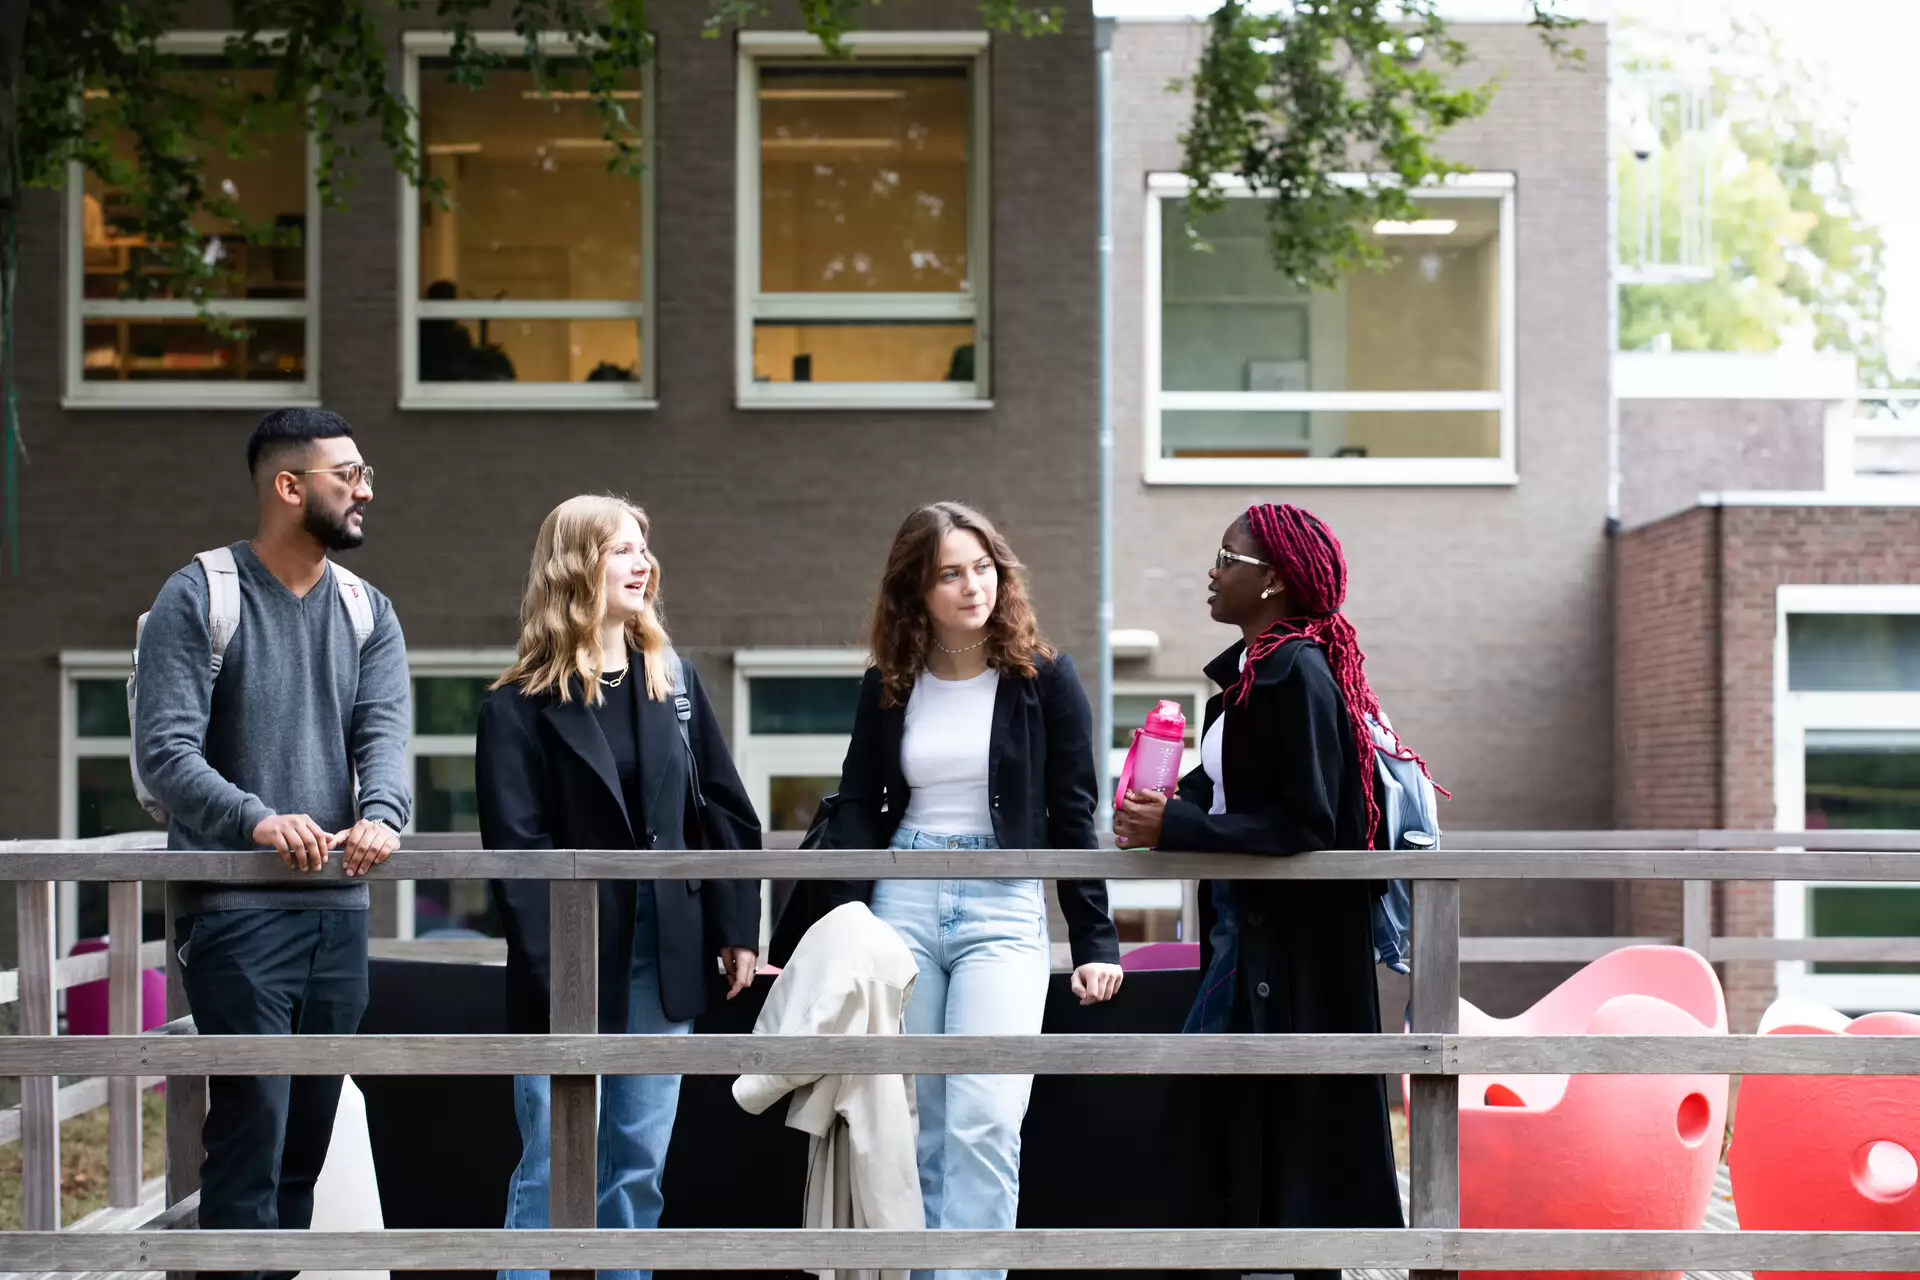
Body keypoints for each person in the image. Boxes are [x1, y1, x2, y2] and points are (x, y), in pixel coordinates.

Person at [797, 500, 1124, 1280]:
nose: (973, 586)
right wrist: (827, 928)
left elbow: (1074, 813)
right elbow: (856, 805)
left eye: (983, 568)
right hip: (903, 898)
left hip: (1003, 903)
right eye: (950, 574)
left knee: (987, 1118)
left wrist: (1094, 939)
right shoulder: (890, 682)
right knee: (920, 1122)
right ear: (916, 589)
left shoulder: (1045, 679)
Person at [134, 407, 410, 1280]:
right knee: (251, 1134)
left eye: (365, 474)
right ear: (290, 487)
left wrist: (384, 814)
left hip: (338, 910)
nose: (365, 490)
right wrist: (258, 817)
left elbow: (385, 739)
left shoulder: (368, 611)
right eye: (348, 475)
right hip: (234, 912)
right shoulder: (200, 595)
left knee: (304, 1150)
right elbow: (166, 753)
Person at [1114, 502, 1414, 1280]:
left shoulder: (1295, 673)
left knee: (1259, 1132)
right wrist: (1158, 808)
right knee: (1236, 1128)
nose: (1212, 572)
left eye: (1227, 558)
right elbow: (1231, 790)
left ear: (1273, 580)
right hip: (1248, 937)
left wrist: (1176, 827)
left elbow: (1304, 820)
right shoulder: (1256, 674)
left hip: (1292, 949)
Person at [478, 494, 762, 1280]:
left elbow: (725, 811)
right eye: (621, 549)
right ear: (576, 566)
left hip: (663, 953)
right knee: (551, 1161)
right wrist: (554, 971)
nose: (643, 564)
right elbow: (517, 853)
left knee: (637, 1165)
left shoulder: (675, 683)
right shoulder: (515, 707)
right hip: (566, 958)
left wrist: (736, 928)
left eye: (644, 547)